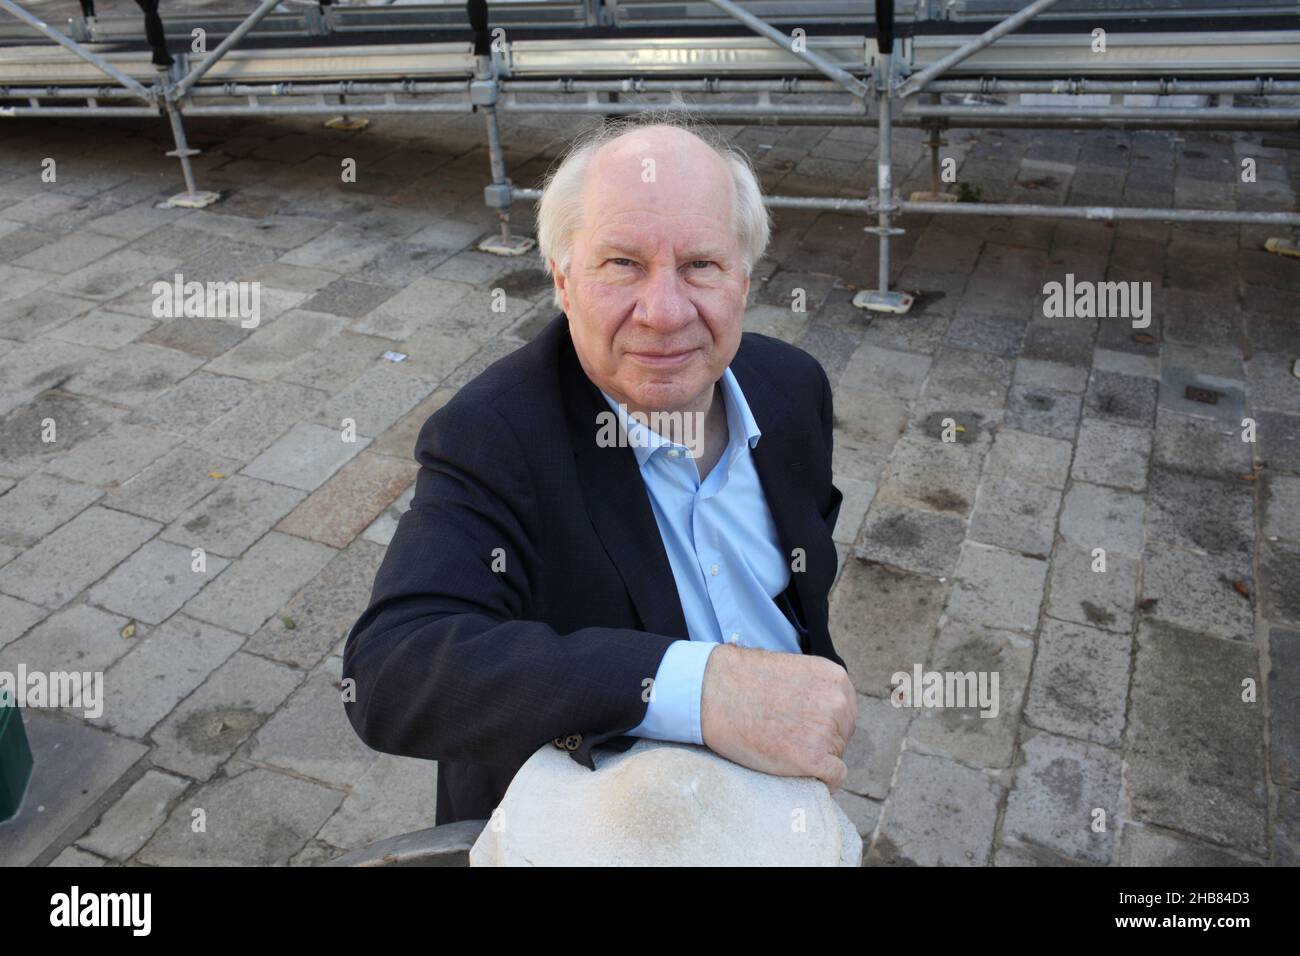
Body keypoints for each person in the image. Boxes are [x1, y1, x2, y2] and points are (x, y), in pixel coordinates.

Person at [342, 112, 856, 826]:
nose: (665, 312)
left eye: (701, 264)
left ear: (745, 277)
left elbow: (805, 559)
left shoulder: (794, 386)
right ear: (561, 279)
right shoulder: (493, 435)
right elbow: (392, 672)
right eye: (623, 264)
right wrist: (699, 688)